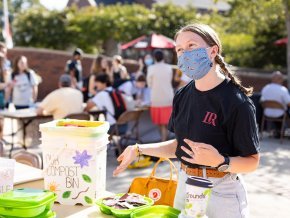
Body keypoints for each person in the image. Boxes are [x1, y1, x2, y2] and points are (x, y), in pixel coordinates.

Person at [113, 23, 260, 218]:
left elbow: (252, 162)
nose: (184, 53)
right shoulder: (182, 95)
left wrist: (220, 161)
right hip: (185, 185)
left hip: (222, 191)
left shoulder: (237, 102)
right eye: (180, 49)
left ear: (213, 51)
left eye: (191, 46)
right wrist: (138, 149)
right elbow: (179, 146)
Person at [147, 49, 174, 141]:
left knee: (160, 123)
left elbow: (149, 83)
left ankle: (163, 142)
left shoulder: (151, 68)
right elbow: (170, 80)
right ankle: (164, 141)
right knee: (165, 123)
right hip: (168, 97)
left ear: (154, 57)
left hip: (156, 98)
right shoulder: (168, 67)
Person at [261, 71, 290, 136]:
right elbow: (289, 103)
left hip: (267, 113)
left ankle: (278, 132)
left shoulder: (265, 88)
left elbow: (261, 101)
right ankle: (280, 132)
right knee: (287, 112)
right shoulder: (283, 89)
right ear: (280, 79)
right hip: (280, 114)